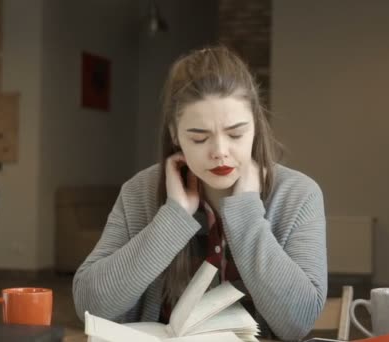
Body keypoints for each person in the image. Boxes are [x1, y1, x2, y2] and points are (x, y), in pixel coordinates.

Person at [73, 46, 327, 341]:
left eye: (235, 134)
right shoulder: (138, 192)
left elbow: (298, 323)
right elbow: (90, 306)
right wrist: (173, 217)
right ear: (174, 133)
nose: (219, 152)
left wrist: (246, 213)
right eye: (199, 137)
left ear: (256, 126)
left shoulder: (298, 195)